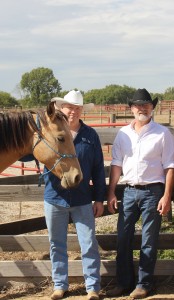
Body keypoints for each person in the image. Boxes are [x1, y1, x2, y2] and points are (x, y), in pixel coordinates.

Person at [106, 88, 174, 299]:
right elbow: (116, 165)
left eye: (146, 105)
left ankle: (144, 284)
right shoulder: (123, 134)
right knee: (123, 238)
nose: (142, 108)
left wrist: (166, 196)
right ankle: (124, 283)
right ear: (131, 109)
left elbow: (170, 167)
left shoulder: (163, 133)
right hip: (128, 192)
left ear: (152, 107)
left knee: (149, 240)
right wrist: (111, 192)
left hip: (152, 192)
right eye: (138, 105)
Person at [45, 90, 106, 300]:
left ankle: (92, 287)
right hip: (54, 196)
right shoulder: (50, 132)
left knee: (88, 242)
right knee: (56, 243)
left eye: (77, 108)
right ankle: (60, 285)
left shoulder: (90, 136)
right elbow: (31, 152)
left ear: (82, 111)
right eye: (69, 107)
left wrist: (99, 198)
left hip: (82, 198)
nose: (73, 111)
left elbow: (99, 168)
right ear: (62, 108)